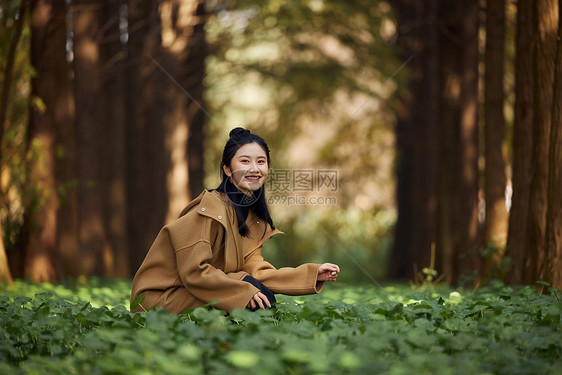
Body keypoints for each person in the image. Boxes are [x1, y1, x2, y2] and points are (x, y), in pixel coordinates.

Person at [130, 127, 340, 313]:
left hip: (191, 292)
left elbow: (256, 271)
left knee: (261, 296)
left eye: (261, 161)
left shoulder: (250, 216)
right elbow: (194, 272)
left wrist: (312, 273)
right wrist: (242, 292)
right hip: (159, 300)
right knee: (253, 298)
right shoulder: (208, 210)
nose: (254, 169)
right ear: (227, 169)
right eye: (245, 161)